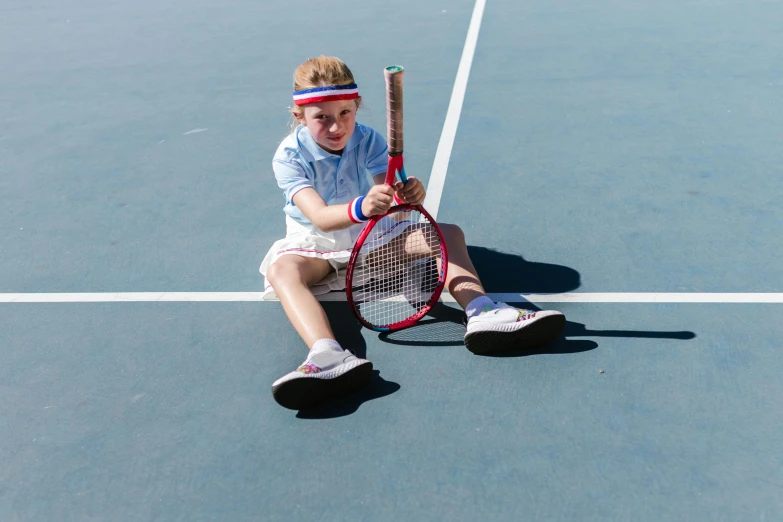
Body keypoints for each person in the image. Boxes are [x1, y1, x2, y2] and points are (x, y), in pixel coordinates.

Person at [261, 56, 566, 410]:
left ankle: (483, 313)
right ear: (300, 117)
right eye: (322, 117)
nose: (336, 126)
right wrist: (362, 206)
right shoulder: (288, 155)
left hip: (374, 245)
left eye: (344, 113)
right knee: (282, 271)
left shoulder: (369, 139)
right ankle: (327, 356)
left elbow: (392, 193)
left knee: (448, 233)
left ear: (356, 105)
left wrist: (409, 193)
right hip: (318, 249)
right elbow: (319, 217)